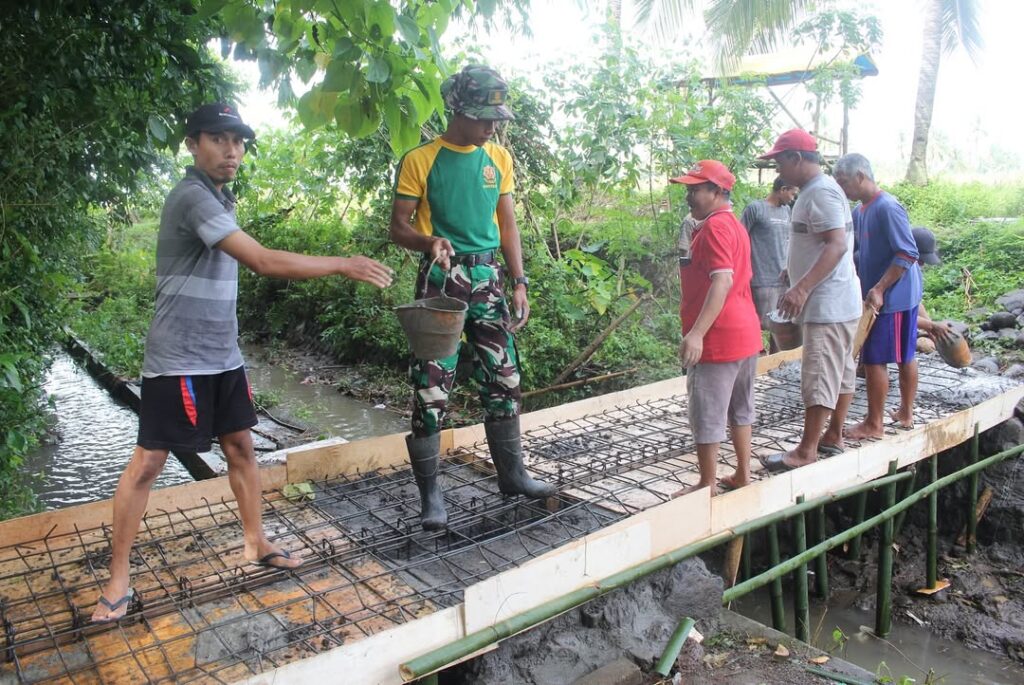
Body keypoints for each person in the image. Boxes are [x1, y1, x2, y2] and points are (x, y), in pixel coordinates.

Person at [91, 104, 394, 623]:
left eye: (239, 141)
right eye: (218, 139)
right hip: (179, 358)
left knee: (241, 448)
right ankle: (117, 581)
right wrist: (342, 263)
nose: (232, 150)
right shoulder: (191, 196)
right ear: (192, 143)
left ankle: (255, 542)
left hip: (221, 356)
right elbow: (262, 260)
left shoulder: (219, 198)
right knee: (148, 464)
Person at [389, 65, 556, 531]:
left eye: (496, 118)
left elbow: (507, 225)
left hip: (489, 277)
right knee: (432, 386)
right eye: (484, 118)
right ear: (458, 111)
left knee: (505, 379)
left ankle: (513, 475)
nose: (492, 126)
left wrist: (519, 281)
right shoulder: (421, 159)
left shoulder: (499, 158)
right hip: (442, 279)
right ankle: (431, 497)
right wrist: (428, 242)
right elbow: (398, 226)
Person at [757, 130, 862, 472]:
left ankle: (806, 450)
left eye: (779, 161)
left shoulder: (821, 193)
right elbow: (821, 243)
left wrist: (802, 287)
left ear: (796, 159)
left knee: (818, 373)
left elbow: (836, 245)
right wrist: (794, 269)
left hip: (827, 303)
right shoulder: (817, 192)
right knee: (840, 369)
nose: (778, 170)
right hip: (839, 299)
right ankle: (832, 436)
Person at [671, 161, 762, 495]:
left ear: (717, 192)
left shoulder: (714, 228)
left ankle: (707, 483)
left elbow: (721, 281)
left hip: (720, 337)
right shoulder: (733, 225)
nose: (689, 195)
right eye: (688, 188)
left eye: (696, 189)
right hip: (746, 332)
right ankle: (742, 473)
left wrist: (696, 333)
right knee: (741, 407)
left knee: (707, 410)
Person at [834, 153, 923, 436]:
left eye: (845, 182)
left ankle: (875, 423)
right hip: (882, 292)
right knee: (903, 353)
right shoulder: (860, 211)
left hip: (894, 295)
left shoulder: (887, 207)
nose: (843, 189)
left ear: (861, 176)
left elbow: (908, 252)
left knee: (875, 357)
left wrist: (880, 288)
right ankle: (905, 413)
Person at [740, 176, 798, 352]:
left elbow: (789, 240)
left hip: (784, 279)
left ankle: (776, 365)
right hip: (762, 278)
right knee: (761, 324)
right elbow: (740, 239)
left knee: (782, 325)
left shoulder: (786, 210)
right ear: (783, 190)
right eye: (792, 194)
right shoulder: (756, 209)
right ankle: (754, 363)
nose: (793, 198)